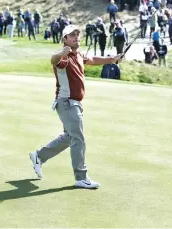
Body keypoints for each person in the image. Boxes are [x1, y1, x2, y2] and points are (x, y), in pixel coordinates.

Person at [29, 25, 123, 189]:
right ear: (64, 39)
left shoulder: (78, 54)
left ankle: (39, 156)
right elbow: (53, 60)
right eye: (71, 35)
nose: (76, 37)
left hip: (75, 103)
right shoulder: (64, 57)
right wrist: (61, 52)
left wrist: (112, 59)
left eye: (77, 35)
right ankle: (81, 177)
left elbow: (92, 60)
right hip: (67, 103)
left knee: (69, 137)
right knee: (78, 138)